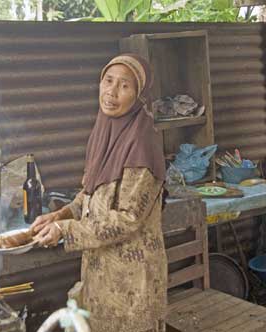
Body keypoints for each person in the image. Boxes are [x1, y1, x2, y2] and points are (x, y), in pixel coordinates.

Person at [31, 54, 167, 332]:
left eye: (125, 85)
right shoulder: (104, 129)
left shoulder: (143, 142)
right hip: (99, 273)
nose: (112, 92)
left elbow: (128, 218)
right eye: (108, 81)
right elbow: (90, 195)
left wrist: (65, 230)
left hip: (132, 279)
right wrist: (60, 214)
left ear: (139, 94)